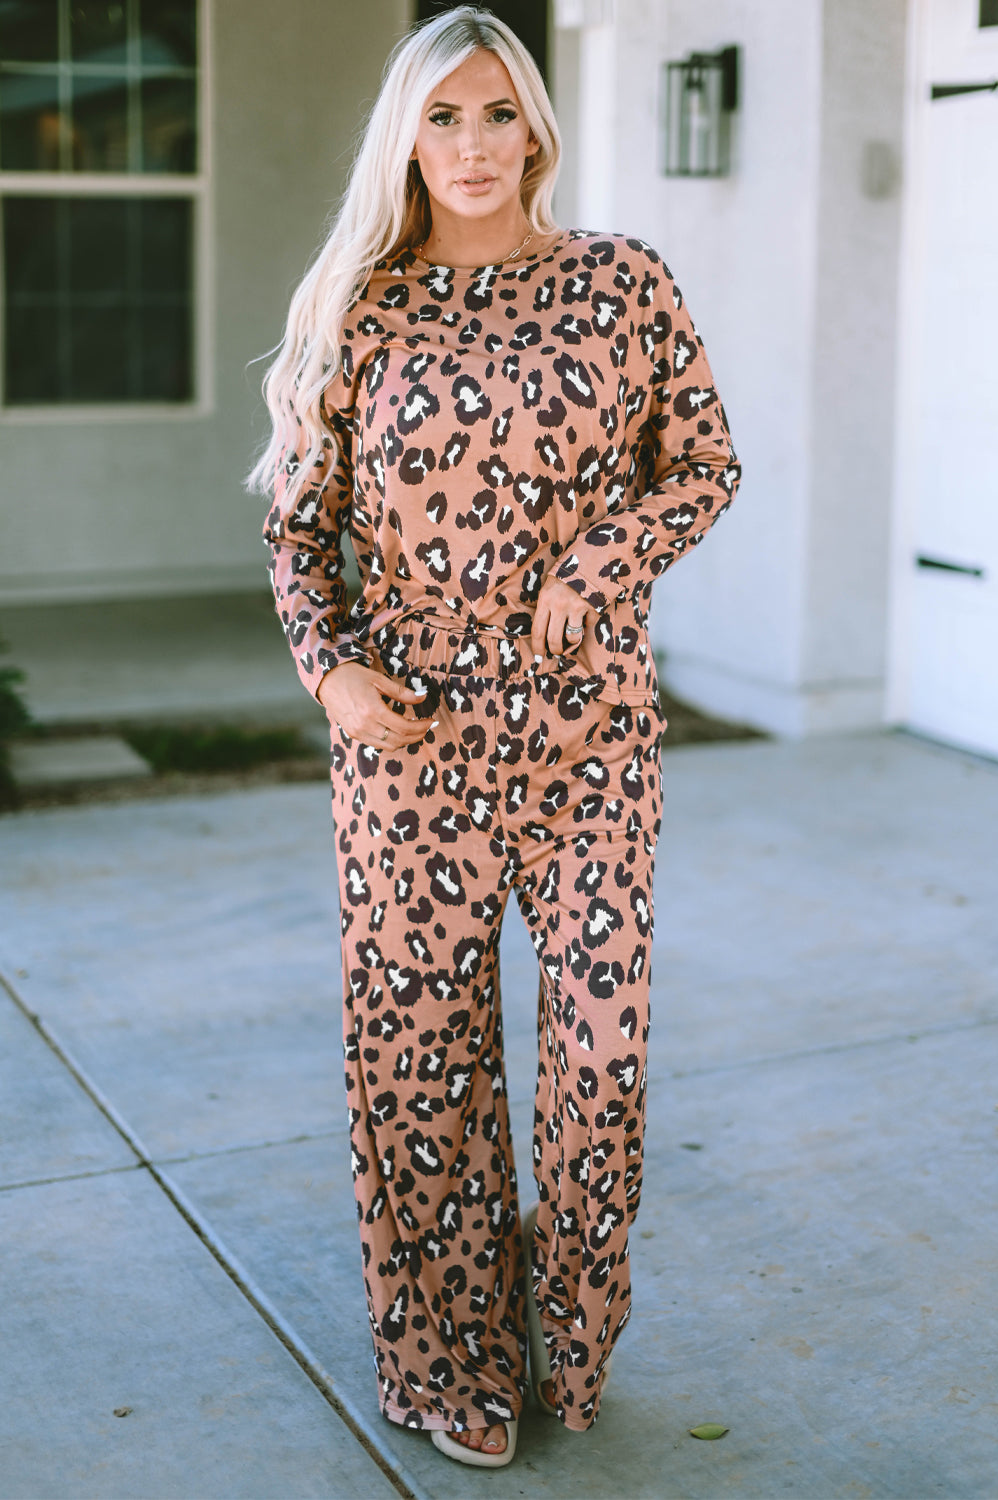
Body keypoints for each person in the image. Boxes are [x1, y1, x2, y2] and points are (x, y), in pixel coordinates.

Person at [249, 4, 739, 1471]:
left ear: (537, 125)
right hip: (408, 749)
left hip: (590, 743)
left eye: (494, 112)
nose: (470, 145)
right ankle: (445, 1354)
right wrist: (332, 674)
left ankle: (564, 1339)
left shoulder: (618, 284)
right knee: (419, 1065)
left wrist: (602, 566)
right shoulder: (362, 305)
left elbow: (702, 460)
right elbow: (300, 528)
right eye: (440, 116)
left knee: (596, 1067)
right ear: (404, 136)